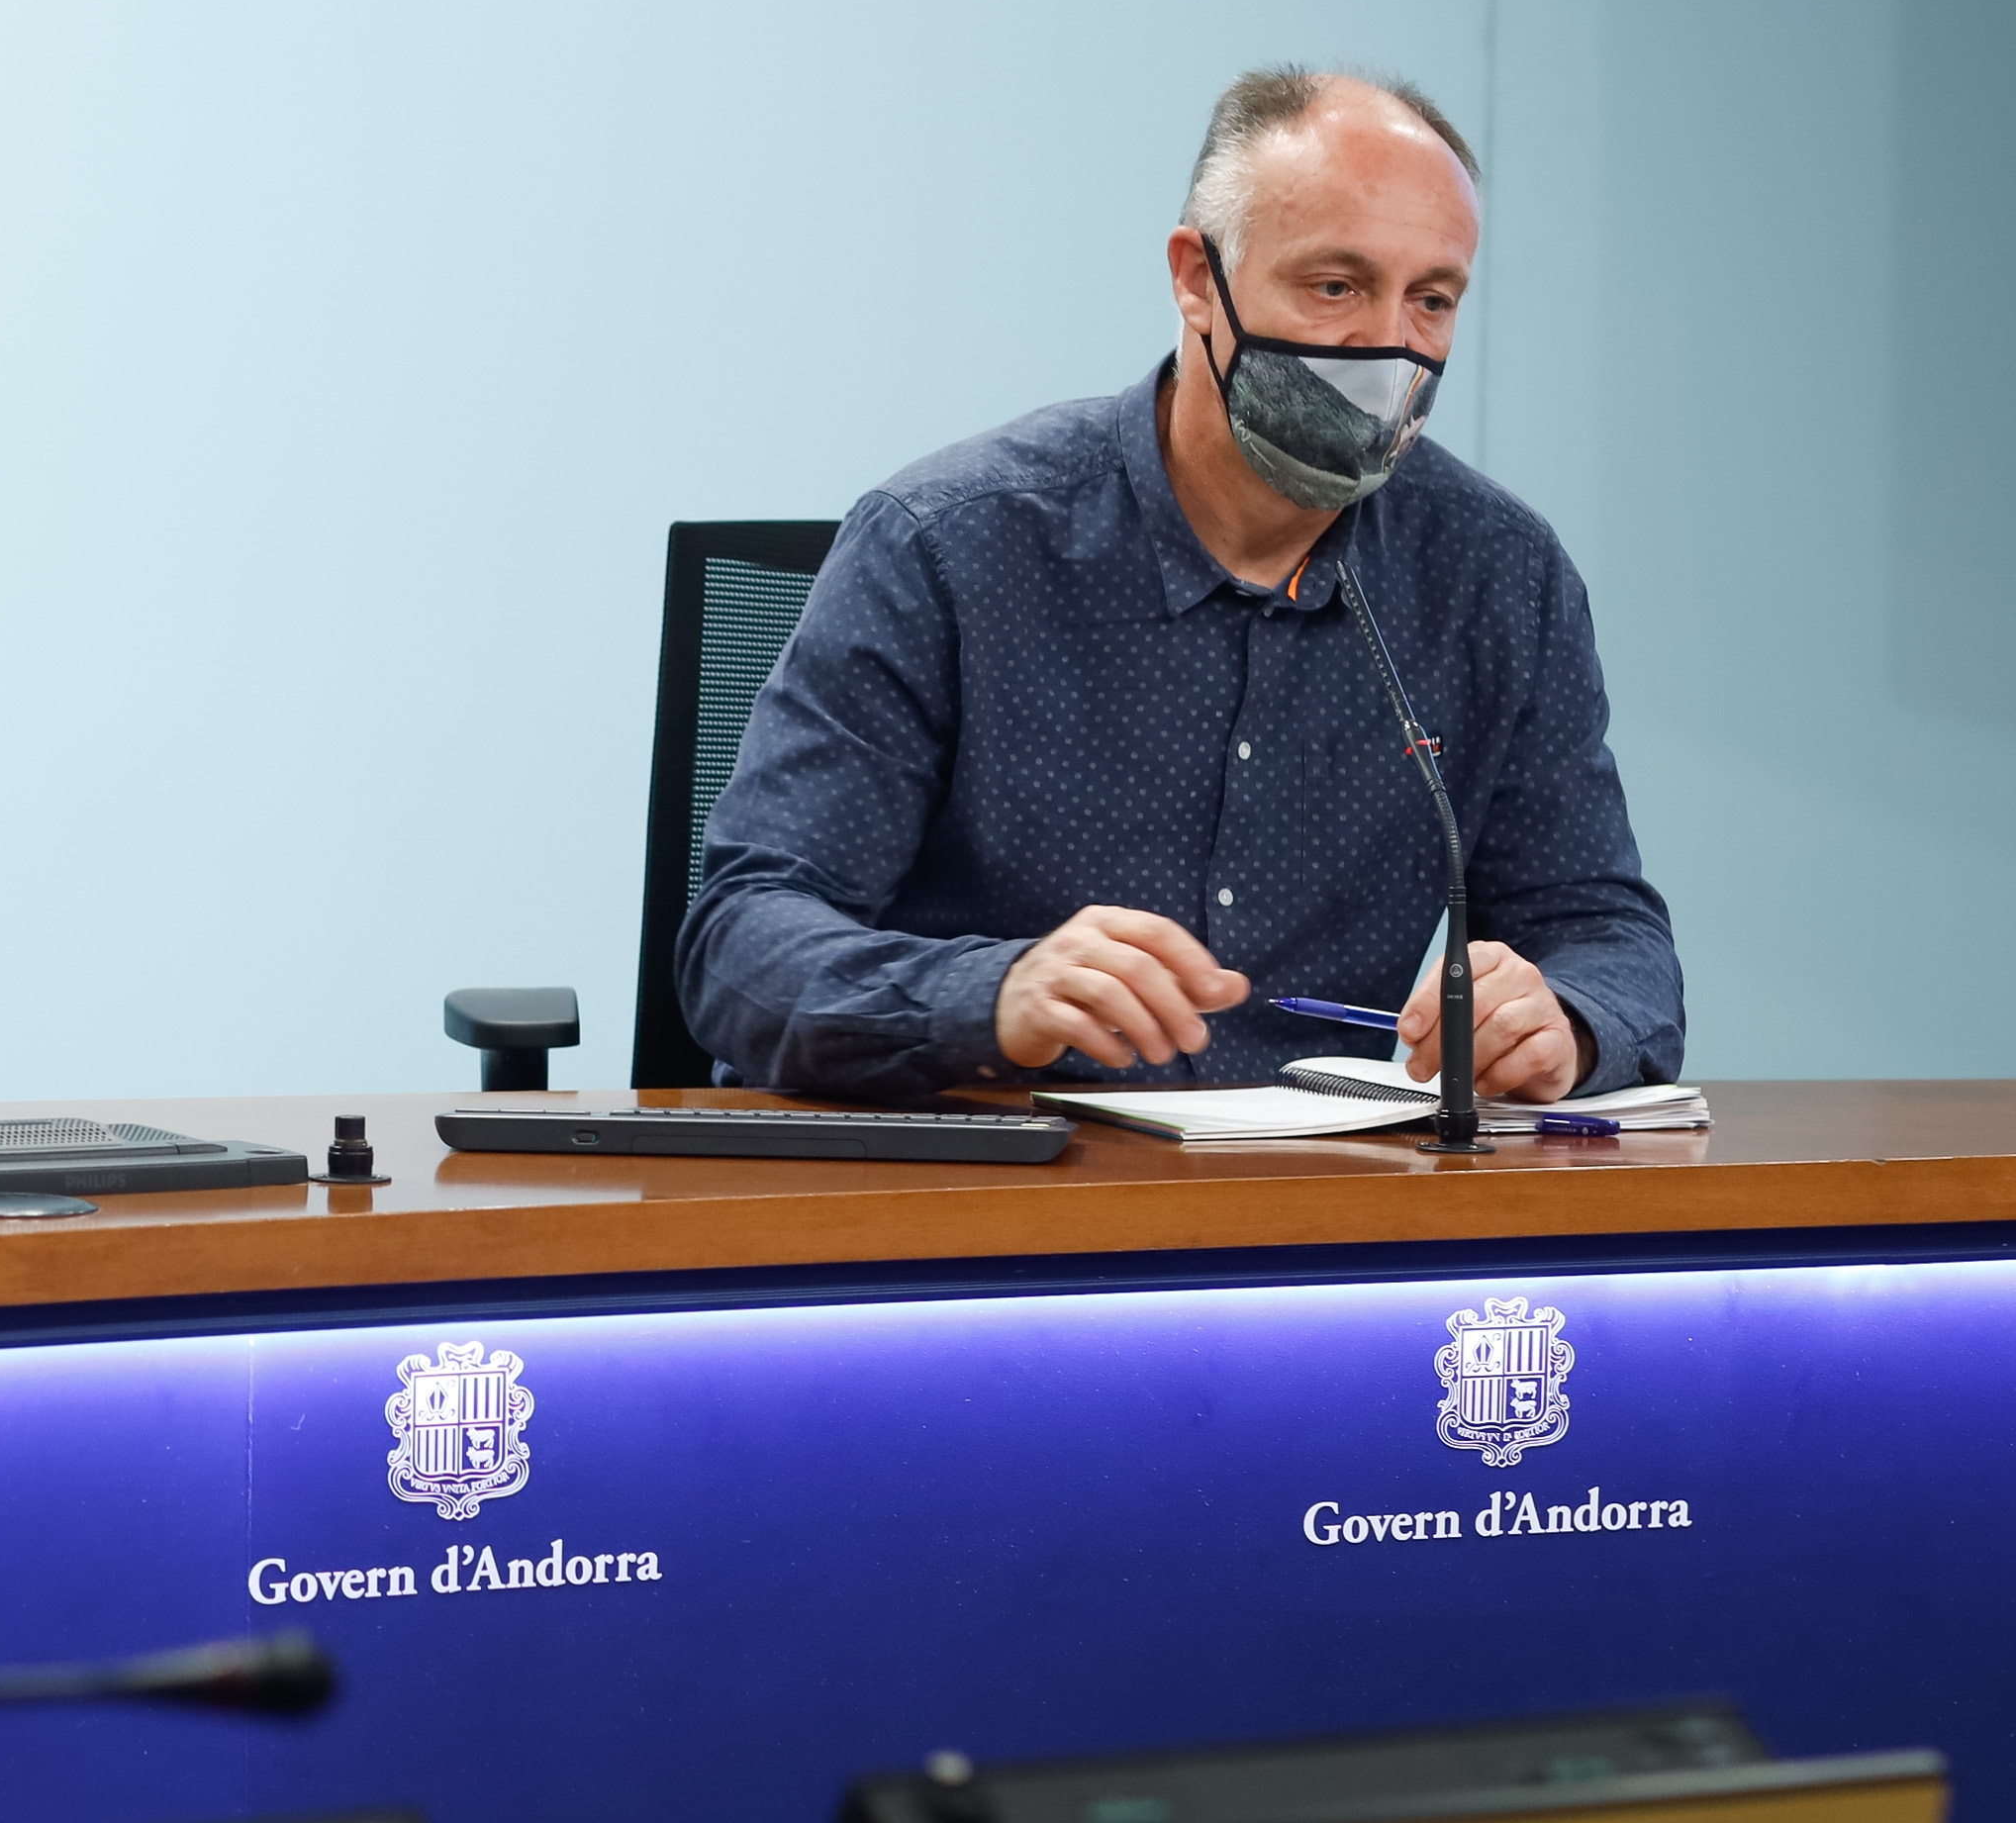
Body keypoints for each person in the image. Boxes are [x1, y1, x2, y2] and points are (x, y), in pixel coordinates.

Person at [676, 66, 1681, 1105]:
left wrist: (1564, 1016)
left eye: (1430, 300)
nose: (1387, 346)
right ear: (1196, 278)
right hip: (975, 1196)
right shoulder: (947, 546)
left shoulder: (1494, 578)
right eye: (1334, 287)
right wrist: (991, 995)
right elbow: (743, 944)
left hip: (1301, 1215)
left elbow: (1611, 941)